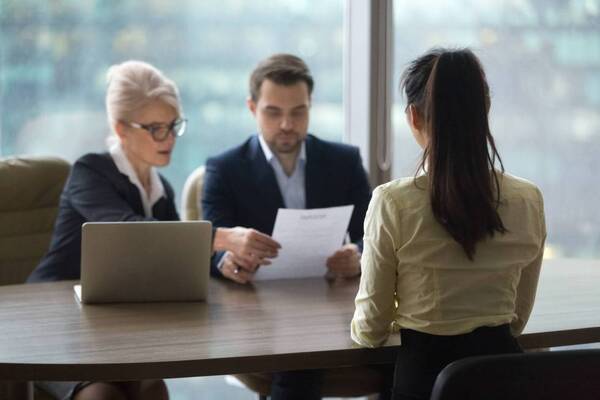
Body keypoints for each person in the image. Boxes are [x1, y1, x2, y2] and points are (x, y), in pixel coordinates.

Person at [26, 60, 278, 400]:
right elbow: (129, 232)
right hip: (56, 316)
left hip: (111, 321)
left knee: (152, 388)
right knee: (101, 395)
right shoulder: (90, 172)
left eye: (174, 126)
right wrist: (225, 236)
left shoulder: (161, 191)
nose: (169, 138)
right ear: (121, 129)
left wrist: (223, 262)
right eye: (156, 128)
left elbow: (176, 255)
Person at [351, 48, 547, 400]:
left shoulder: (392, 202)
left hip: (425, 385)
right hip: (504, 382)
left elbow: (371, 328)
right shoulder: (528, 199)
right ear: (484, 110)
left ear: (413, 117)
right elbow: (516, 319)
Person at [202, 54, 372, 399]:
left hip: (333, 301)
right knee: (301, 365)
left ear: (310, 107)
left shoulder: (345, 161)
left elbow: (374, 235)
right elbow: (209, 243)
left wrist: (357, 254)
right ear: (252, 108)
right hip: (261, 310)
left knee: (404, 356)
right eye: (273, 112)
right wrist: (226, 262)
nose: (286, 124)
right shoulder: (224, 168)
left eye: (298, 112)